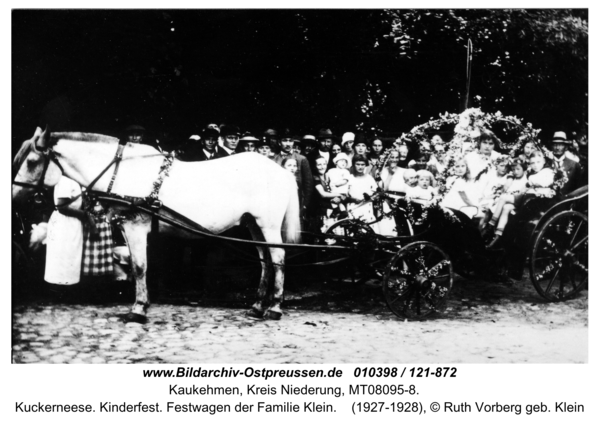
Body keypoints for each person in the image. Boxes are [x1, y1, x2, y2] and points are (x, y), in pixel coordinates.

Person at [485, 151, 555, 249]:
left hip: (535, 199)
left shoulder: (547, 171)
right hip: (526, 197)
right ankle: (497, 234)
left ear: (543, 161)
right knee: (506, 207)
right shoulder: (532, 172)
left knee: (503, 197)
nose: (535, 165)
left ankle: (491, 224)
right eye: (532, 163)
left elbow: (545, 182)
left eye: (538, 162)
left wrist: (530, 181)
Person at [44, 176, 86, 285]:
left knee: (69, 257)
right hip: (65, 222)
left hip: (71, 221)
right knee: (63, 257)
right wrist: (84, 215)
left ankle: (66, 287)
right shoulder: (66, 180)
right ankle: (61, 289)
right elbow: (62, 207)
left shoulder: (73, 179)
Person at [273, 129, 313, 220]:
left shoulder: (301, 159)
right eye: (284, 140)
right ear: (279, 143)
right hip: (278, 202)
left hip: (296, 201)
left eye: (290, 141)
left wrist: (304, 206)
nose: (288, 144)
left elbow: (308, 184)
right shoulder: (274, 159)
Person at [551, 131, 582, 195]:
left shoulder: (574, 165)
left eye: (561, 145)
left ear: (566, 147)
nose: (557, 148)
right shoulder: (546, 163)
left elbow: (578, 188)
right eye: (555, 144)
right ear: (552, 146)